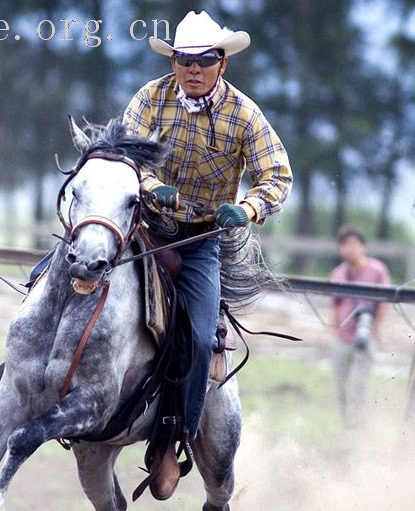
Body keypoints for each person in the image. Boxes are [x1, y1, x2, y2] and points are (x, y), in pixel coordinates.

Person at [123, 11, 293, 498]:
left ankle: (173, 440)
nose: (193, 69)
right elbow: (127, 158)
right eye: (183, 60)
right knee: (71, 263)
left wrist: (248, 208)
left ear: (222, 63)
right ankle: (26, 369)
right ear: (173, 61)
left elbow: (277, 176)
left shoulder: (245, 114)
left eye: (203, 60)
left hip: (199, 243)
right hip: (143, 224)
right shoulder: (148, 99)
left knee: (199, 340)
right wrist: (156, 189)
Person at [329, 226, 391, 429]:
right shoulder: (338, 273)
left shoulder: (377, 270)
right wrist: (335, 330)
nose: (350, 249)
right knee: (341, 387)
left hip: (365, 336)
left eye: (355, 244)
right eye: (346, 245)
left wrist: (374, 328)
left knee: (357, 385)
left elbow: (384, 302)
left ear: (363, 247)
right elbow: (334, 305)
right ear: (340, 249)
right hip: (342, 337)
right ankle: (346, 425)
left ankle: (356, 428)